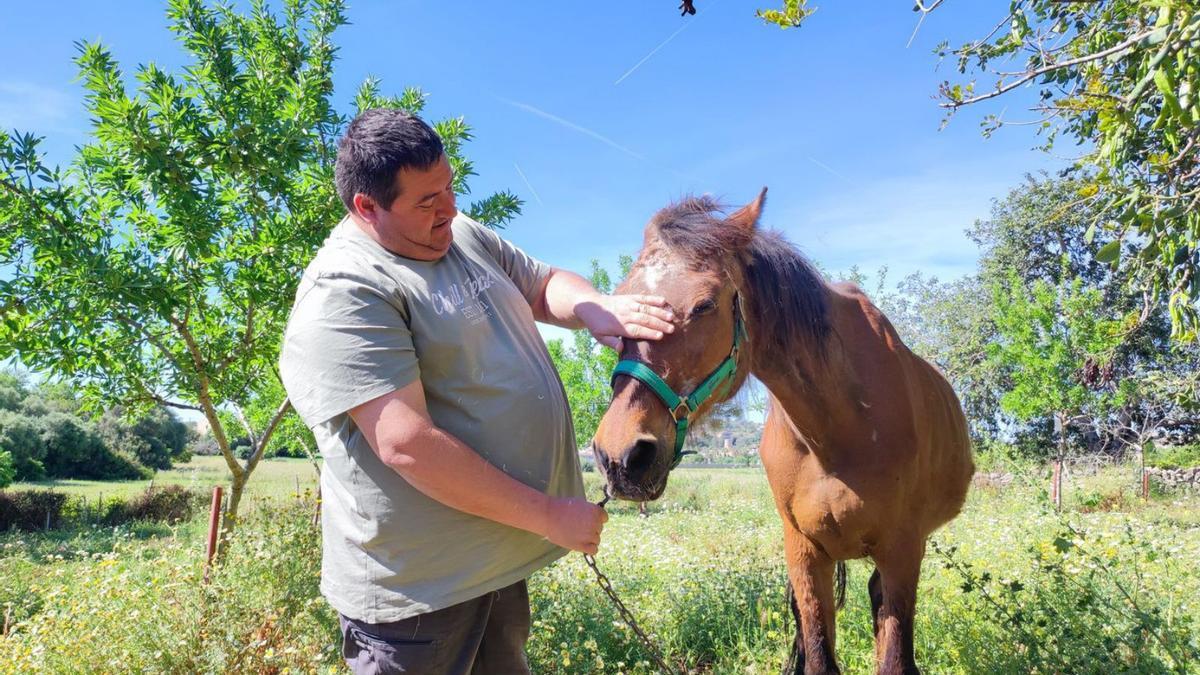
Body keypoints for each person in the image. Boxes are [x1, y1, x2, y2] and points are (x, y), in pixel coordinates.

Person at [279, 108, 675, 674]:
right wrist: (546, 514)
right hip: (417, 599)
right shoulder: (347, 290)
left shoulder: (458, 234)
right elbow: (406, 444)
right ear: (367, 208)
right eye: (426, 201)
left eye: (449, 187)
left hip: (493, 562)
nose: (451, 209)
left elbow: (543, 284)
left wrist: (595, 307)